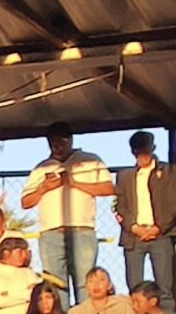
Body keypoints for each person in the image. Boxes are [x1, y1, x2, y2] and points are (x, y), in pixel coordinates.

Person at [22, 124, 115, 291]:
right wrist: (44, 188)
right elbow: (25, 202)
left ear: (70, 140)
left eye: (61, 144)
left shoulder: (90, 160)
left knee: (85, 283)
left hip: (82, 230)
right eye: (53, 144)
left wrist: (74, 183)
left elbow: (108, 188)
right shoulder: (41, 168)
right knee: (55, 285)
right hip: (51, 233)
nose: (57, 148)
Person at [115, 129, 176, 306]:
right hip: (133, 237)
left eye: (145, 151)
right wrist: (134, 227)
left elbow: (175, 203)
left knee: (165, 288)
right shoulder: (124, 176)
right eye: (138, 152)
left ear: (153, 148)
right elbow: (120, 205)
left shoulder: (168, 171)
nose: (142, 155)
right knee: (135, 288)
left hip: (160, 235)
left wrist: (158, 227)